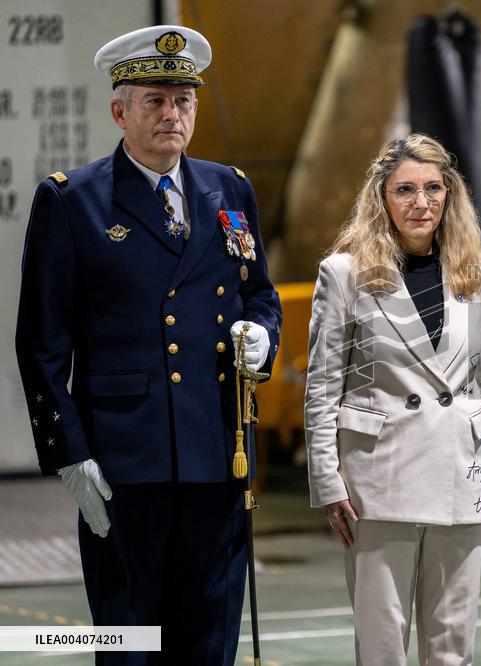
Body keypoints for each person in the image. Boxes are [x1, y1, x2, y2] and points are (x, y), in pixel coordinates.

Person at [14, 25, 282, 664]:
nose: (172, 114)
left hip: (217, 454)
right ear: (120, 110)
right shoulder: (73, 201)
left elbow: (260, 295)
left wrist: (262, 338)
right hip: (123, 463)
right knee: (129, 639)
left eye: (183, 100)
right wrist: (68, 453)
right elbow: (42, 343)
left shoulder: (228, 189)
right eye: (154, 101)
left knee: (210, 637)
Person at [304, 133, 481, 665]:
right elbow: (323, 386)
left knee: (453, 648)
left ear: (450, 195)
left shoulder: (478, 274)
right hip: (378, 477)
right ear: (382, 198)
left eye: (433, 188)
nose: (421, 202)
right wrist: (328, 480)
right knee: (382, 647)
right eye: (405, 190)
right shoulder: (344, 274)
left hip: (464, 473)